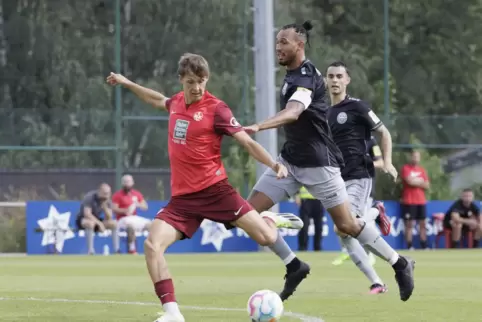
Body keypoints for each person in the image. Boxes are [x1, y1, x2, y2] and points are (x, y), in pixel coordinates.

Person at [106, 53, 303, 322]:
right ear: (181, 81)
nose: (197, 87)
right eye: (191, 82)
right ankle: (173, 314)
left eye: (202, 81)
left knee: (267, 239)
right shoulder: (176, 102)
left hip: (215, 192)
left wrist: (273, 164)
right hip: (183, 200)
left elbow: (246, 142)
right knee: (152, 246)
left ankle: (267, 219)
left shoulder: (217, 109)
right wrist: (127, 82)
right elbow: (156, 98)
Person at [244, 21, 415, 302]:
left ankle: (399, 264)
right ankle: (294, 265)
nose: (278, 46)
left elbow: (293, 112)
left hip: (320, 165)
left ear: (300, 45)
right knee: (247, 214)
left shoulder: (307, 77)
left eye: (283, 41)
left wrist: (258, 126)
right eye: (277, 41)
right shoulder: (290, 75)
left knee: (346, 226)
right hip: (290, 161)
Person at [326, 61, 396, 294]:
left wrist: (387, 162)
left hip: (359, 175)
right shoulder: (325, 114)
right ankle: (377, 281)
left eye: (339, 76)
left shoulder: (357, 107)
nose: (335, 80)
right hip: (337, 180)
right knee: (345, 233)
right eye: (331, 77)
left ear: (347, 80)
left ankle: (375, 212)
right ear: (326, 81)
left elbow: (383, 132)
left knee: (344, 227)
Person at [332, 135, 385, 266]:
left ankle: (370, 253)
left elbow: (380, 162)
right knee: (341, 221)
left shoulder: (370, 140)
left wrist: (362, 164)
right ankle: (347, 251)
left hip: (363, 186)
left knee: (364, 222)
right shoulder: (343, 138)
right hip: (344, 185)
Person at [75, 183, 119, 255]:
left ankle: (117, 250)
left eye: (108, 193)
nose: (106, 195)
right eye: (104, 193)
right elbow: (87, 214)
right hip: (83, 220)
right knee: (90, 223)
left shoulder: (107, 200)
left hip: (97, 220)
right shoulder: (90, 197)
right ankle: (90, 250)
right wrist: (99, 223)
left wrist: (105, 207)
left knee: (114, 223)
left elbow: (109, 217)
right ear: (99, 191)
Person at [112, 174, 151, 254]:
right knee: (130, 226)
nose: (127, 184)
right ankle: (132, 250)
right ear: (122, 183)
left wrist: (138, 204)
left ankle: (152, 248)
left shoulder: (136, 194)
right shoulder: (117, 195)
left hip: (134, 217)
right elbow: (114, 209)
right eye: (125, 182)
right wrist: (125, 210)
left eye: (129, 181)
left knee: (151, 225)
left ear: (132, 183)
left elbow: (145, 206)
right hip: (122, 219)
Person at [401, 150, 429, 249]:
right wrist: (420, 181)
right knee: (409, 224)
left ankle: (424, 245)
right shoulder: (406, 168)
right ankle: (410, 246)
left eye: (417, 157)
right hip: (409, 201)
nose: (415, 158)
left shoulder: (422, 170)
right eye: (414, 156)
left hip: (421, 201)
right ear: (411, 157)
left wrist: (416, 181)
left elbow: (427, 185)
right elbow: (409, 182)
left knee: (423, 224)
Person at [295, 186, 324, 251]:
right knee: (304, 227)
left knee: (319, 227)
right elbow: (298, 181)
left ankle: (318, 248)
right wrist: (297, 195)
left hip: (319, 200)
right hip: (305, 200)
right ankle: (302, 248)